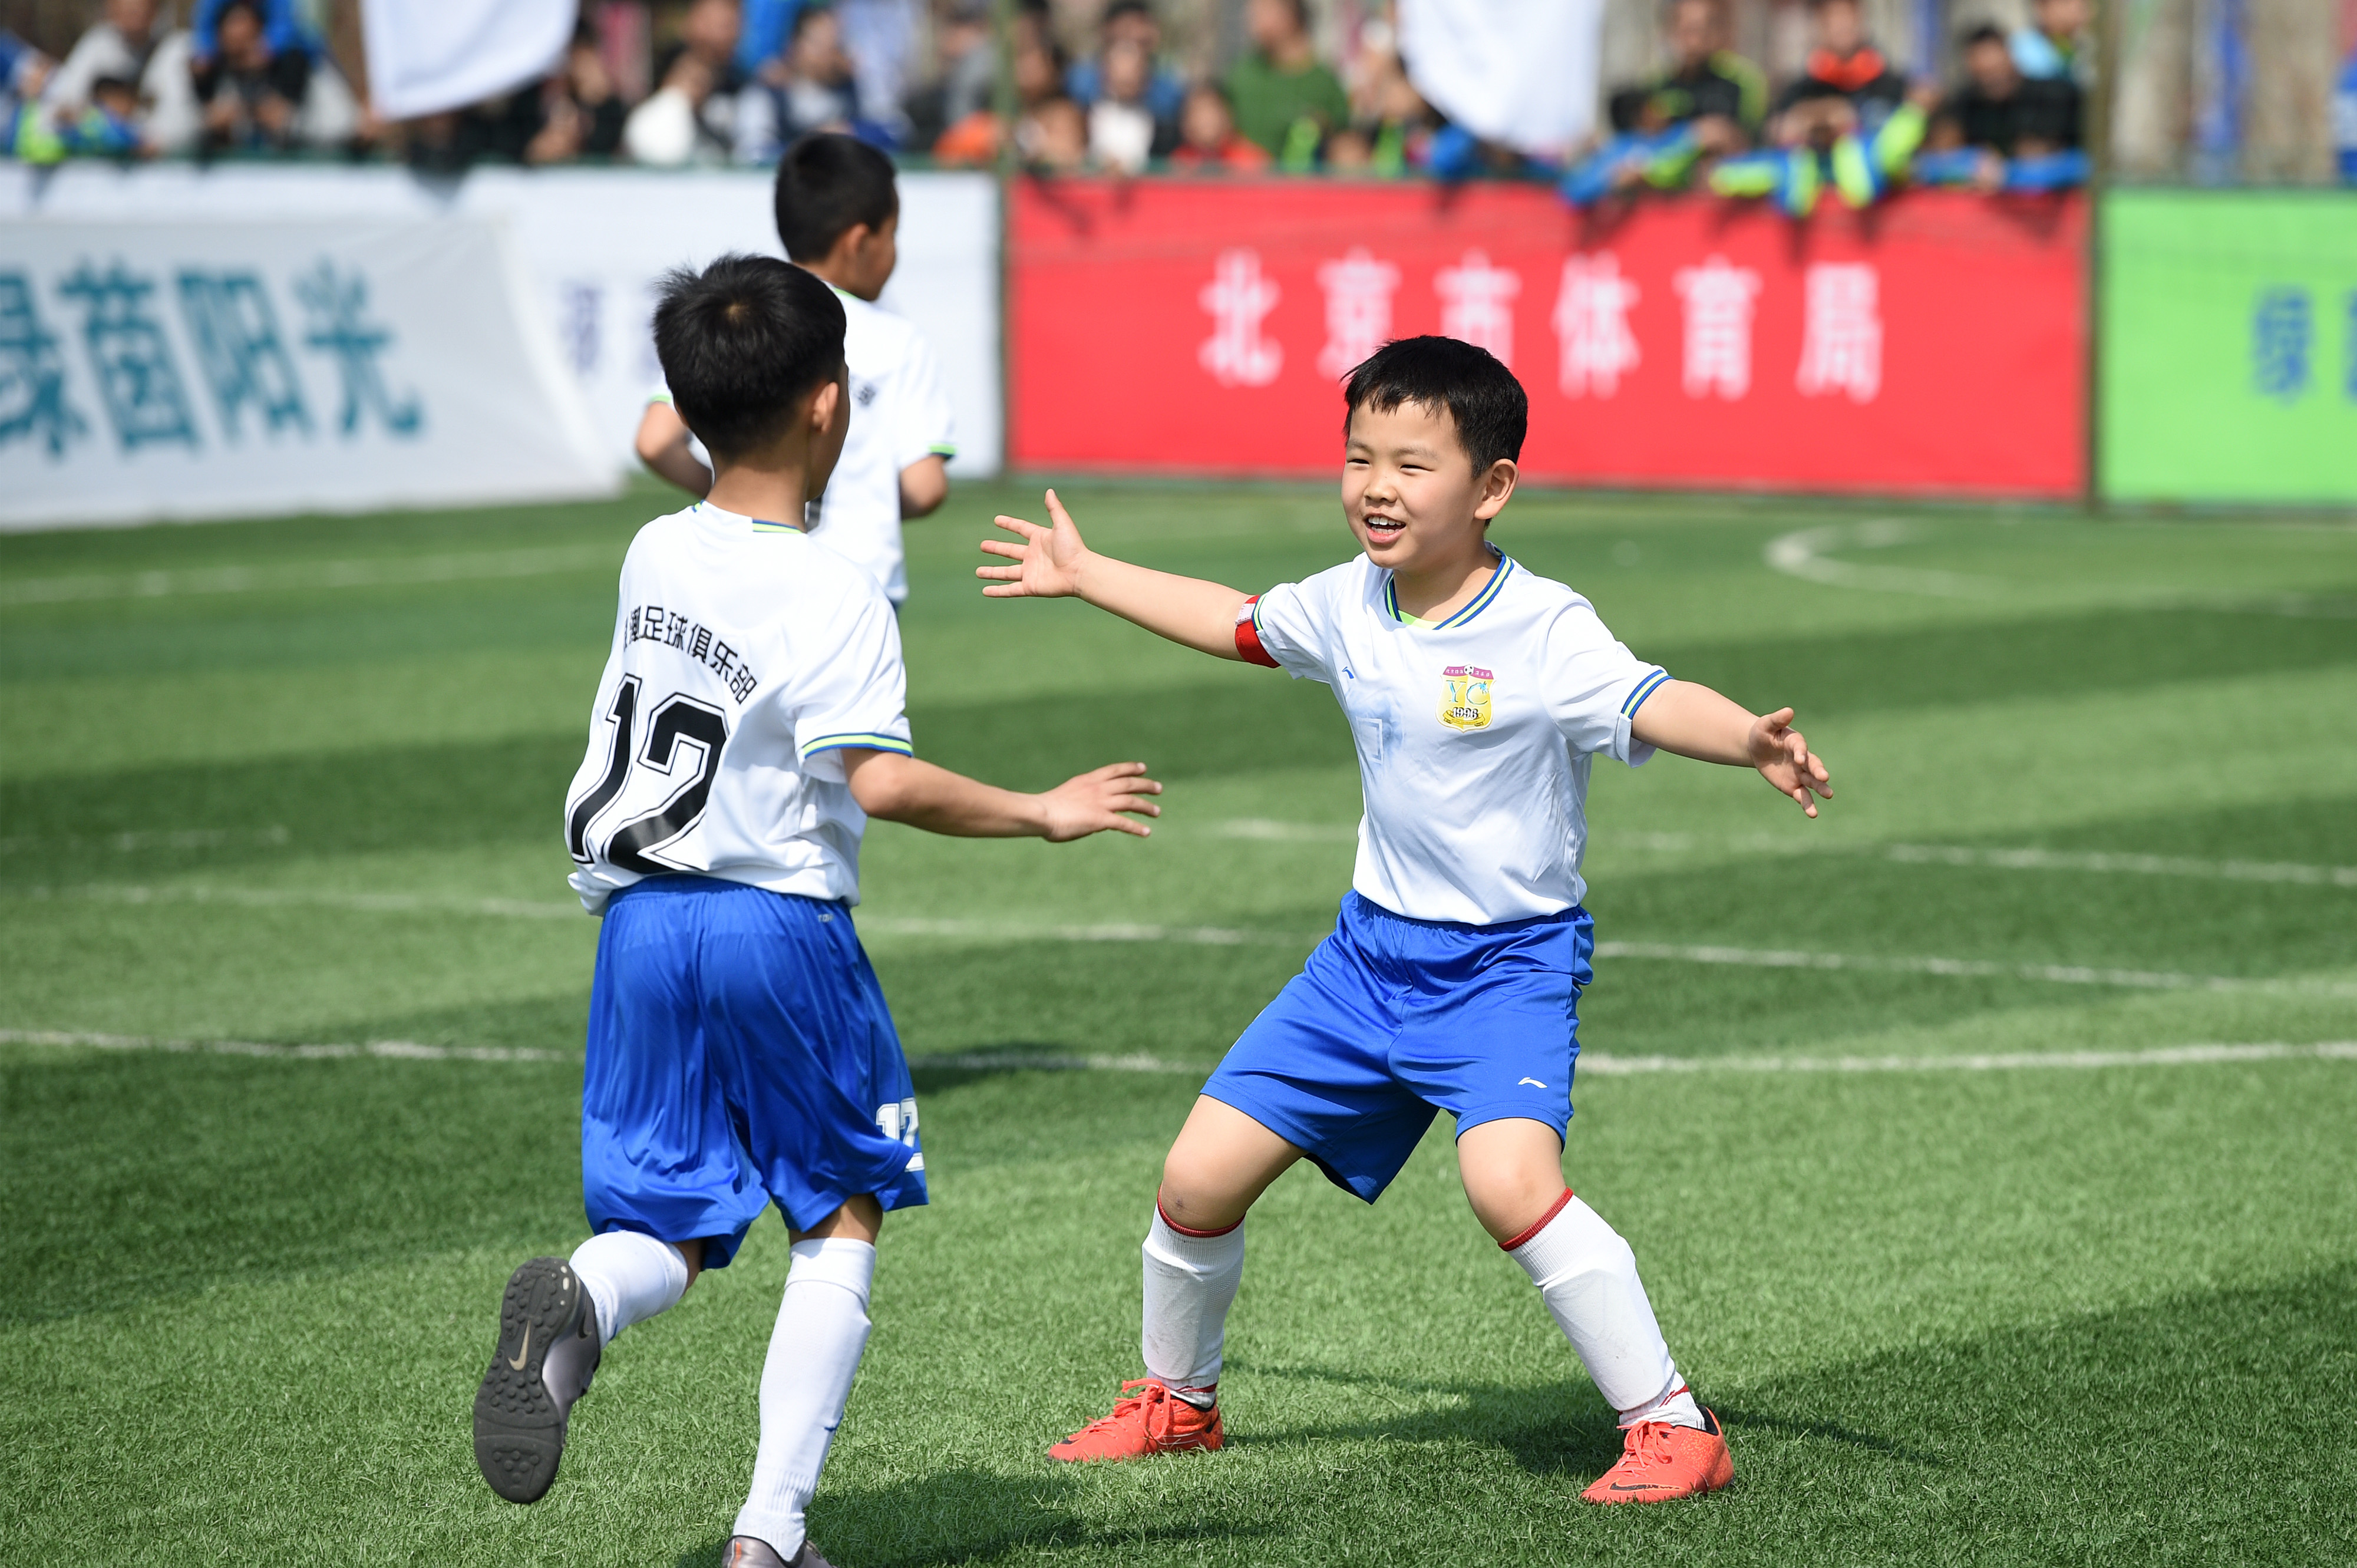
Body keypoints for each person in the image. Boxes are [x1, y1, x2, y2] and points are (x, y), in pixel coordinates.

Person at [978, 337, 1832, 1504]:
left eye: (1411, 465)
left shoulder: (1542, 627)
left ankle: (1673, 1425)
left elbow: (1648, 696)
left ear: (1491, 488)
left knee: (1509, 1186)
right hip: (1362, 963)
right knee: (1194, 1182)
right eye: (1358, 459)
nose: (1375, 488)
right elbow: (1237, 622)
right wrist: (1087, 573)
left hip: (1503, 969)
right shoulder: (1347, 600)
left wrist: (1745, 738)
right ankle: (1179, 1403)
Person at [471, 254, 1162, 1568]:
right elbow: (878, 781)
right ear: (829, 406)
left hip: (639, 927)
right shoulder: (835, 590)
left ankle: (585, 1302)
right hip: (773, 925)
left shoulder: (652, 548)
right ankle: (770, 1535)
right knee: (840, 1207)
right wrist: (1040, 808)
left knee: (664, 1225)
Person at [638, 133, 955, 609]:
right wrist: (867, 509)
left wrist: (743, 496)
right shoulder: (898, 340)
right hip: (860, 584)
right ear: (859, 242)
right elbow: (926, 487)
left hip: (746, 572)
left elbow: (654, 440)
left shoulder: (742, 316)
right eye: (893, 234)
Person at [1709, 0, 1926, 214]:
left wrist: (1852, 125)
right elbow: (1771, 131)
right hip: (1815, 199)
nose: (1842, 27)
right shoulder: (1802, 89)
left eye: (1849, 18)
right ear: (1819, 27)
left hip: (1874, 200)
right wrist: (1808, 122)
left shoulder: (1892, 84)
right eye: (1833, 20)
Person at [1563, 0, 1763, 206]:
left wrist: (1721, 142)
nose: (1695, 40)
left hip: (1720, 202)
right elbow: (1643, 149)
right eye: (1688, 29)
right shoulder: (1655, 84)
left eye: (1704, 29)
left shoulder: (1741, 82)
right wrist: (1691, 141)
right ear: (1671, 31)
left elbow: (1754, 146)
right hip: (1664, 203)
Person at [1915, 22, 2084, 192]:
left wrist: (2009, 173)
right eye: (1984, 74)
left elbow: (2080, 162)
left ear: (2011, 58)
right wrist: (1971, 163)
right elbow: (1933, 160)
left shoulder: (2054, 96)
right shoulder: (1967, 105)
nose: (1994, 80)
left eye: (1997, 69)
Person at [625, 0, 748, 166]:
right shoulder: (663, 68)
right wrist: (676, 98)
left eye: (734, 24)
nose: (730, 34)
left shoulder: (740, 81)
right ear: (694, 22)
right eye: (724, 25)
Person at [1224, 0, 1348, 166]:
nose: (1254, 19)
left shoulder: (1325, 83)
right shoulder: (1243, 74)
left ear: (1292, 13)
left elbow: (1346, 147)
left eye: (1266, 10)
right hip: (1244, 178)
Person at [192, 0, 311, 154]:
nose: (237, 33)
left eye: (242, 23)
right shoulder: (211, 69)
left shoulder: (290, 62)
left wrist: (287, 122)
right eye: (232, 24)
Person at [1067, 0, 1186, 123]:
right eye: (1128, 27)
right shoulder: (1081, 80)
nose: (1135, 33)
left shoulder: (1167, 86)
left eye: (1141, 25)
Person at [1084, 35, 1174, 170]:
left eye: (1134, 70)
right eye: (1121, 69)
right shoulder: (1085, 115)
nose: (1127, 78)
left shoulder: (1162, 124)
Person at [1167, 80, 1270, 172]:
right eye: (1196, 112)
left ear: (1225, 115)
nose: (1204, 120)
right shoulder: (1179, 162)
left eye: (1210, 111)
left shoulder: (1249, 159)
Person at [2010, 0, 2090, 85]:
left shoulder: (2069, 48)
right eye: (2066, 2)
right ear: (2041, 7)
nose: (2077, 7)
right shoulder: (2024, 51)